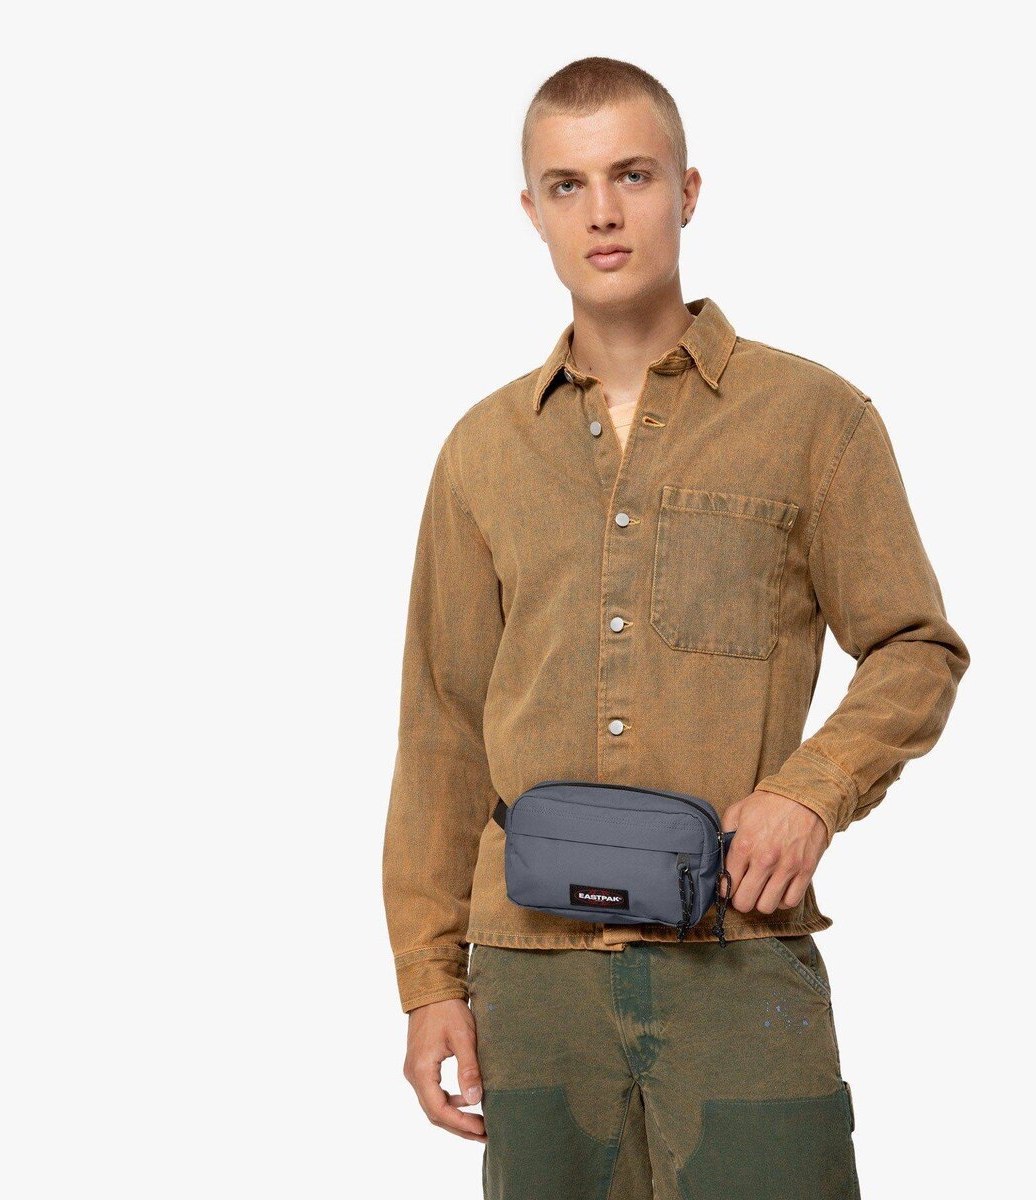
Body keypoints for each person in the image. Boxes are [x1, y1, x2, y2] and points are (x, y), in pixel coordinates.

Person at [382, 55, 970, 1199]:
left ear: (687, 191)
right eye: (567, 185)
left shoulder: (814, 419)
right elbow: (442, 725)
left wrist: (813, 791)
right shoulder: (482, 451)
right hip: (529, 973)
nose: (601, 212)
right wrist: (429, 980)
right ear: (532, 210)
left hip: (737, 954)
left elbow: (915, 646)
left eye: (633, 175)